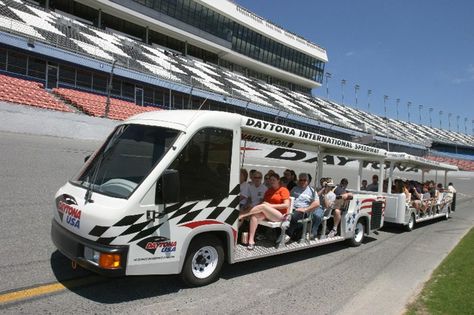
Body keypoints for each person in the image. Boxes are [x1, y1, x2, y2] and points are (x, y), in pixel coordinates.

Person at [239, 173, 290, 250]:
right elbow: (263, 202)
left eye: (274, 180)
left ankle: (243, 214)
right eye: (270, 180)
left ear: (278, 180)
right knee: (254, 216)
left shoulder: (283, 190)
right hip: (269, 214)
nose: (272, 181)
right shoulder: (269, 190)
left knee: (263, 206)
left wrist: (270, 206)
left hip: (280, 215)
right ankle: (251, 241)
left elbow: (286, 205)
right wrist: (255, 206)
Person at [285, 173, 321, 242]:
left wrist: (305, 209)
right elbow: (288, 198)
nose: (302, 182)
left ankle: (288, 234)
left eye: (304, 180)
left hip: (303, 211)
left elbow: (317, 203)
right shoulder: (295, 188)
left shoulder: (312, 191)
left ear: (308, 181)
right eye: (301, 180)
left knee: (294, 216)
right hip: (291, 208)